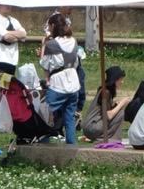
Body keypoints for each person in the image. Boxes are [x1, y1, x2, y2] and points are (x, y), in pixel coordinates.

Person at [0, 3, 27, 131]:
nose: (8, 7)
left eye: (9, 4)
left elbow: (24, 35)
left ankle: (3, 119)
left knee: (6, 91)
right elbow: (6, 37)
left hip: (11, 61)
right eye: (5, 4)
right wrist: (14, 34)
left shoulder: (13, 20)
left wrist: (12, 34)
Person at [39, 12, 81, 144]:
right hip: (73, 82)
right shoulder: (73, 41)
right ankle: (71, 143)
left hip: (59, 83)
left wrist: (43, 46)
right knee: (69, 115)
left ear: (52, 26)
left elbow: (44, 64)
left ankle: (43, 141)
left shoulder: (52, 44)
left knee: (45, 111)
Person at [81, 65, 131, 144]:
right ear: (115, 80)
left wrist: (115, 105)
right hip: (92, 126)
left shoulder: (106, 91)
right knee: (121, 113)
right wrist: (121, 103)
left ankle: (107, 138)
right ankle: (107, 139)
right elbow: (109, 115)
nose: (122, 82)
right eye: (120, 79)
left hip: (93, 125)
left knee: (119, 112)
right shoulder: (106, 92)